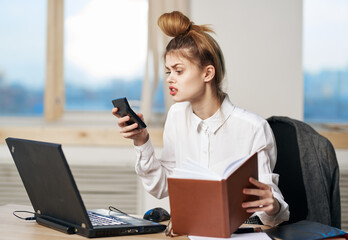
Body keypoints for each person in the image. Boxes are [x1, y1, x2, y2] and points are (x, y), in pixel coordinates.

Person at [112, 11, 289, 226]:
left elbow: (273, 214)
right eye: (168, 71)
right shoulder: (177, 116)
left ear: (207, 74)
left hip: (240, 231)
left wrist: (273, 205)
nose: (170, 79)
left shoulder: (253, 128)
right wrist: (141, 141)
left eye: (178, 71)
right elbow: (162, 187)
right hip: (189, 230)